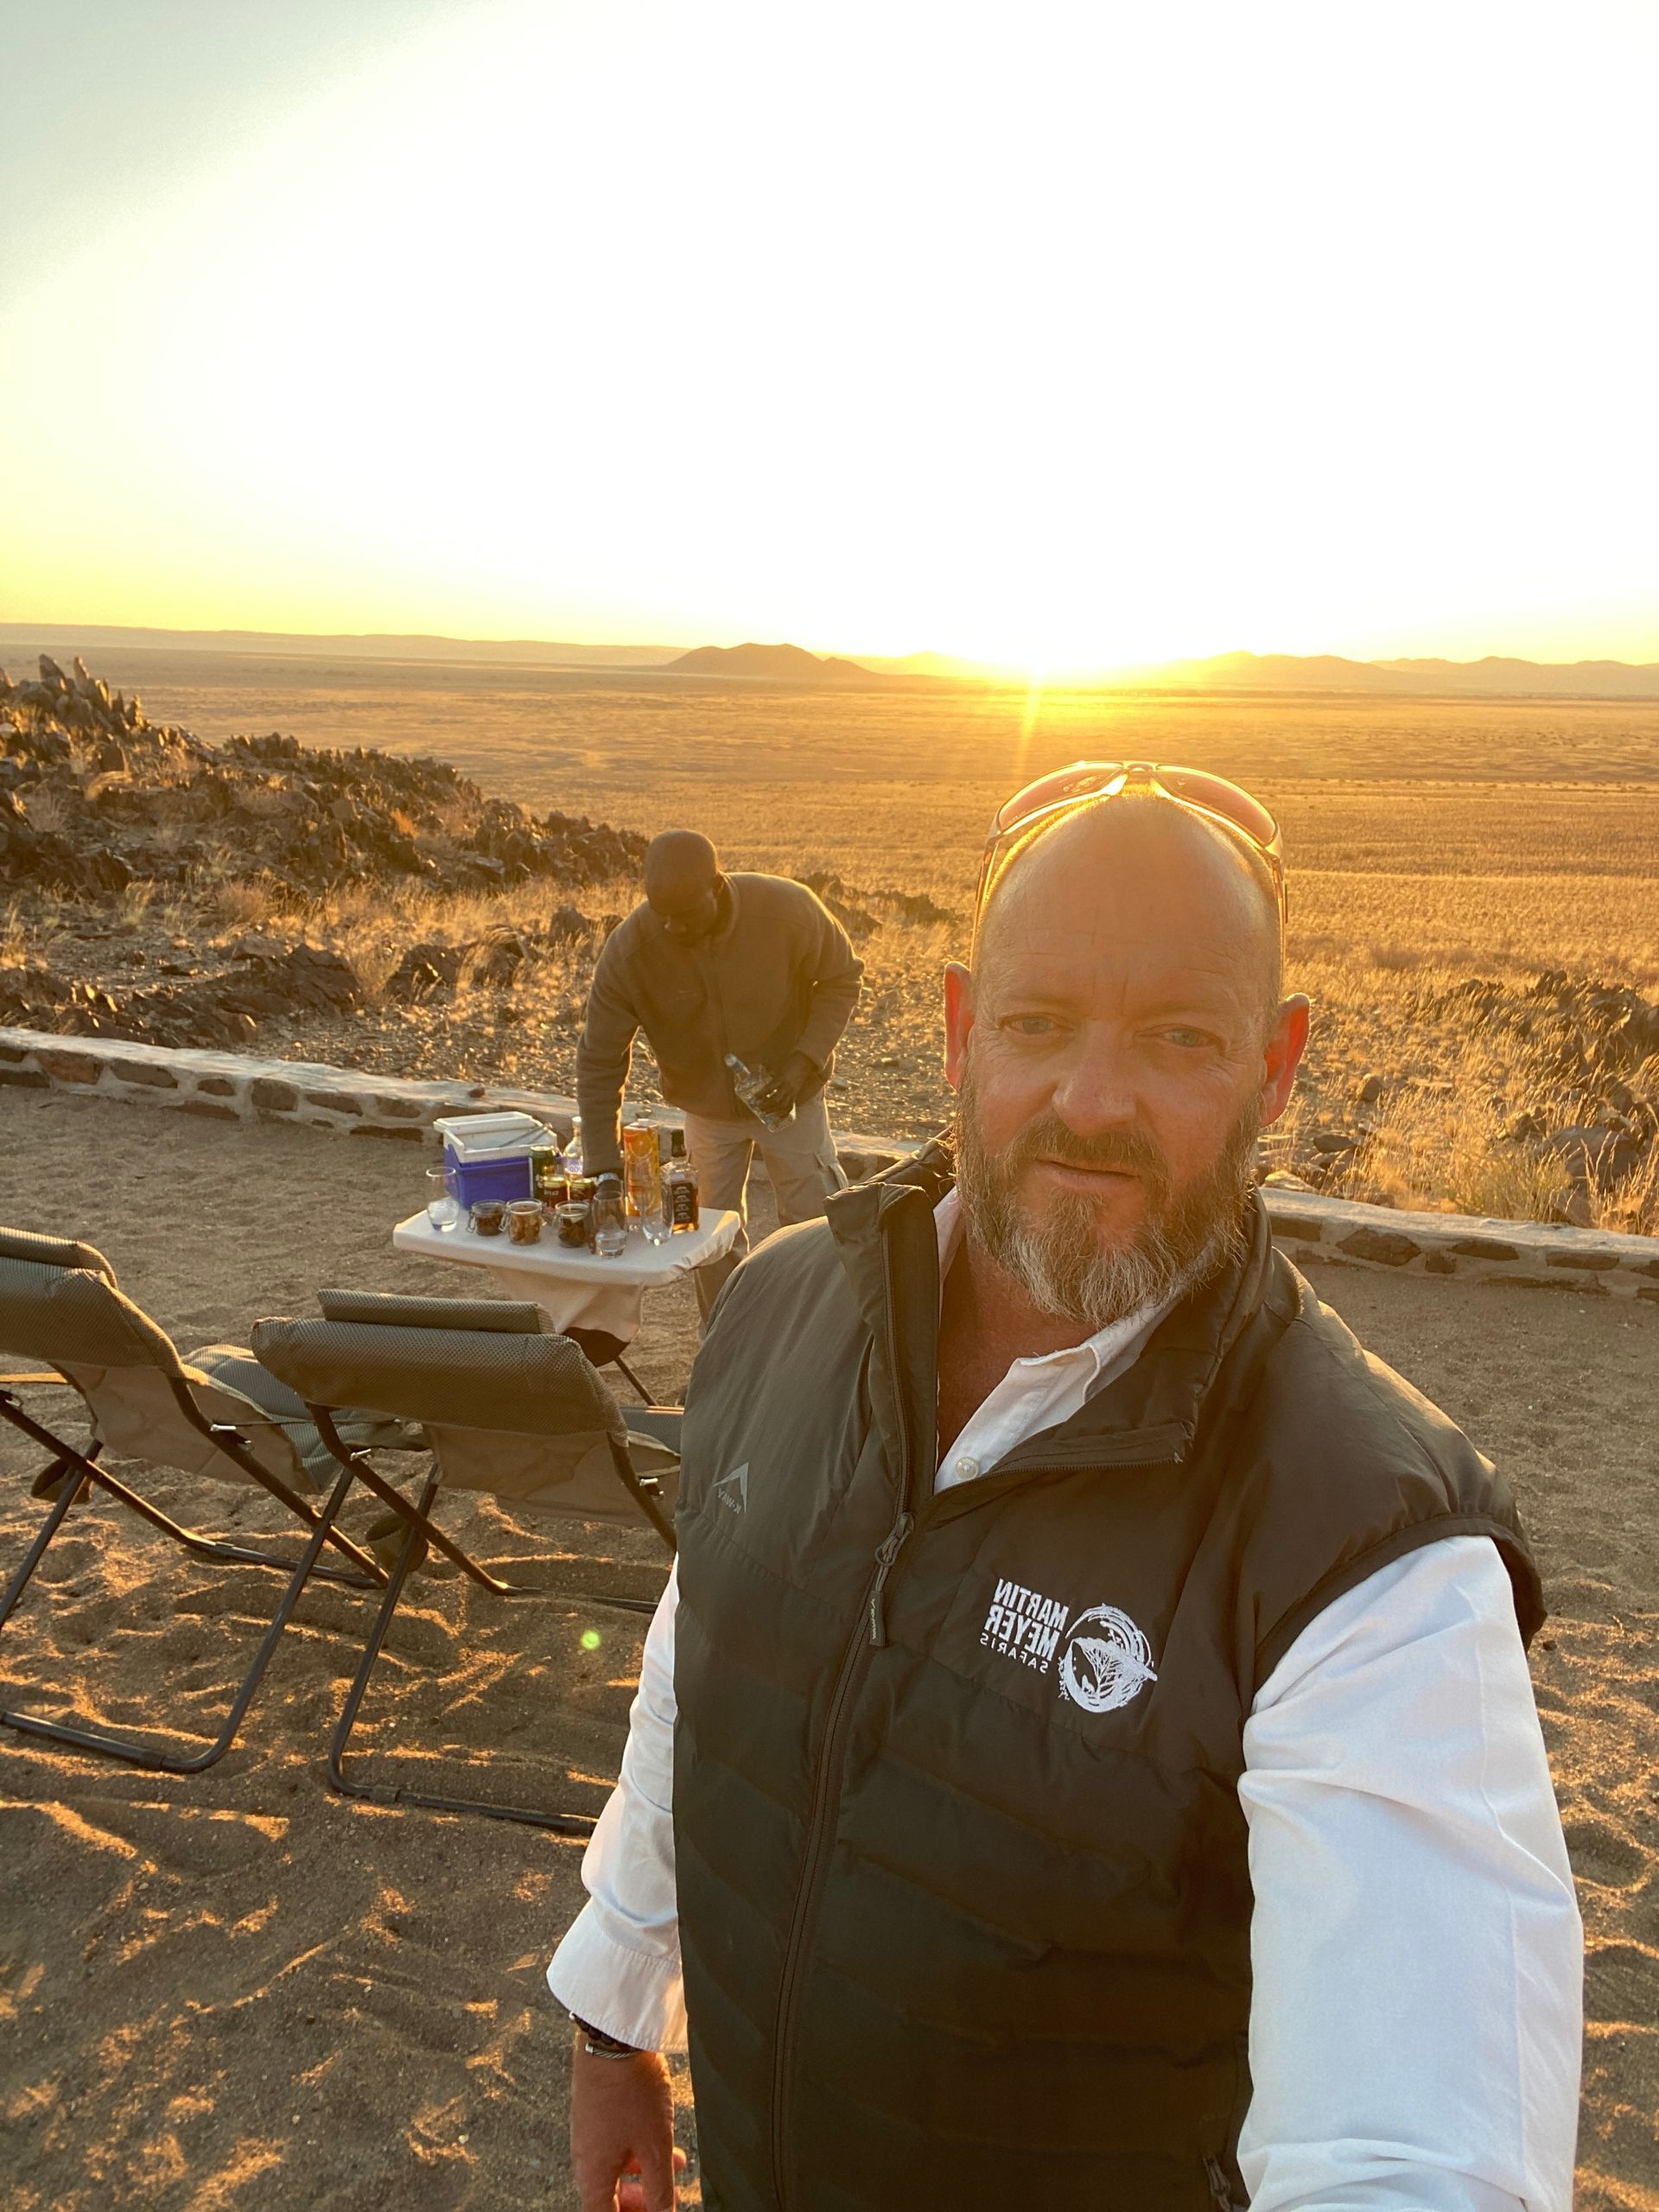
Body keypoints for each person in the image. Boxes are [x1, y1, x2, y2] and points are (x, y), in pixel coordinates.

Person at [549, 764, 1582, 2212]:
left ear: (1274, 1069)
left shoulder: (1370, 1559)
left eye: (1177, 1036)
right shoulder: (781, 1308)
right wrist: (615, 2009)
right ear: (967, 1032)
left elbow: (1416, 2154)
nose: (1093, 1102)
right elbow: (695, 1648)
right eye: (1039, 1025)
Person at [575, 830, 864, 1318]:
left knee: (816, 1225)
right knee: (708, 1239)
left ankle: (822, 1340)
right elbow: (599, 1061)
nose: (672, 928)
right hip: (706, 1109)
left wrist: (802, 1063)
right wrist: (603, 1165)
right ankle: (726, 1346)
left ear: (718, 884)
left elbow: (842, 976)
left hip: (791, 1098)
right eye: (661, 914)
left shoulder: (786, 909)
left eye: (686, 915)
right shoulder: (630, 953)